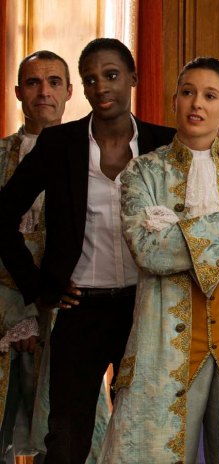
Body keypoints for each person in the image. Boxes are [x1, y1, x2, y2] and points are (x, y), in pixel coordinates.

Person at [98, 57, 219, 463]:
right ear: (175, 100)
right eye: (187, 92)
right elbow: (149, 250)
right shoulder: (143, 172)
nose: (196, 103)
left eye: (210, 95)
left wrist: (179, 231)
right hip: (162, 342)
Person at [0, 38, 176, 464]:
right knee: (65, 440)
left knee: (145, 436)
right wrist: (39, 286)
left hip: (145, 309)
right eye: (91, 79)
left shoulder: (164, 145)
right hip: (80, 310)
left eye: (111, 75)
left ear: (133, 77)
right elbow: (2, 216)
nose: (102, 87)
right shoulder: (60, 144)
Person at [0, 50, 73, 464]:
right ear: (17, 92)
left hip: (67, 310)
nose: (43, 91)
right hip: (2, 308)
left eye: (53, 82)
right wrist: (19, 313)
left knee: (64, 433)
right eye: (33, 82)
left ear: (69, 92)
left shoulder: (90, 156)